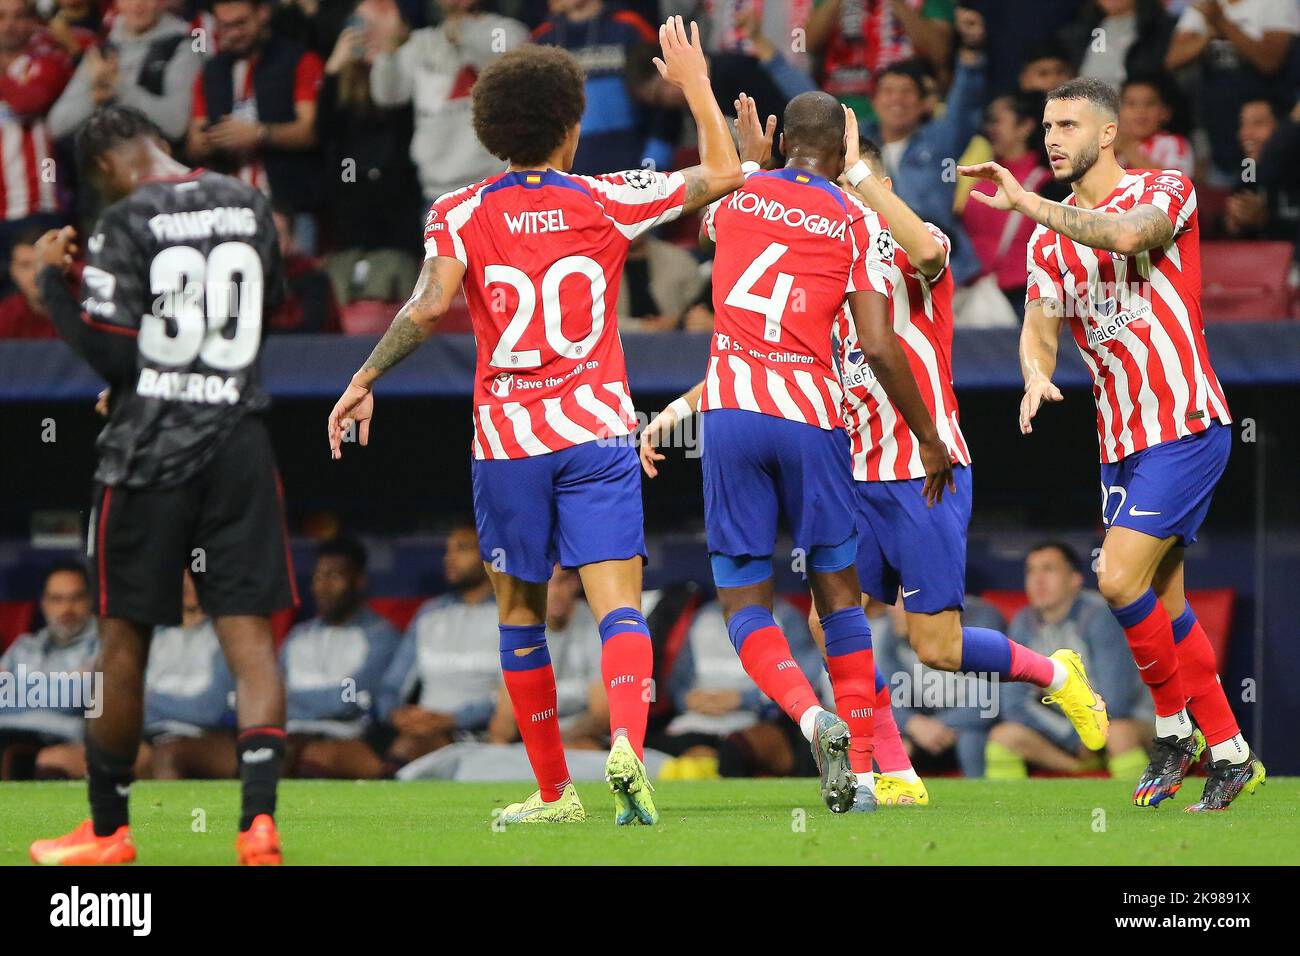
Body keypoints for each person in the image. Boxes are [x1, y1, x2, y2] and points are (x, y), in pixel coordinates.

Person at [328, 18, 743, 826]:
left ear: (490, 133)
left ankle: (555, 793)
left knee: (520, 617)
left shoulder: (457, 210)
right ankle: (626, 745)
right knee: (619, 607)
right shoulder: (607, 197)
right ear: (570, 126)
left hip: (508, 444)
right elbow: (724, 172)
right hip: (597, 432)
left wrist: (365, 376)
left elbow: (428, 307)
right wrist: (695, 83)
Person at [644, 88, 960, 815]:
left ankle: (811, 719)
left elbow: (712, 227)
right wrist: (928, 435)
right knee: (840, 599)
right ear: (844, 146)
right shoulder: (856, 219)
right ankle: (865, 768)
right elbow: (876, 345)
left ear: (783, 139)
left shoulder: (738, 195)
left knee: (744, 602)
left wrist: (751, 162)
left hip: (732, 414)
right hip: (812, 418)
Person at [960, 76, 1265, 811]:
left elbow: (1129, 237)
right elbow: (1039, 326)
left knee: (1118, 579)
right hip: (1120, 442)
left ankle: (1173, 730)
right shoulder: (1048, 244)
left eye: (1067, 124)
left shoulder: (1165, 190)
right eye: (1046, 126)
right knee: (1165, 600)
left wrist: (1029, 203)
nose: (1052, 138)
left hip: (1183, 423)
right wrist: (1035, 373)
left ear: (1106, 133)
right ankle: (1230, 752)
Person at [29, 105, 295, 865]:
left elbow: (115, 358)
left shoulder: (126, 218)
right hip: (240, 443)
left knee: (122, 643)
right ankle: (258, 824)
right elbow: (263, 308)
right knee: (250, 638)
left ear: (105, 165)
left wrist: (52, 283)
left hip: (147, 457)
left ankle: (107, 831)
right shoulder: (247, 201)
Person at [829, 123, 1107, 805]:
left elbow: (928, 250)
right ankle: (893, 773)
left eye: (848, 185)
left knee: (938, 649)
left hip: (924, 472)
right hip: (856, 479)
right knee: (830, 620)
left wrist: (856, 177)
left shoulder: (912, 247)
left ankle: (1056, 675)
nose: (838, 201)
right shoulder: (826, 276)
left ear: (879, 186)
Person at [987, 542, 1150, 780]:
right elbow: (1013, 704)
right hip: (1072, 734)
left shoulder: (1099, 615)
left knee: (1118, 734)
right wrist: (1075, 738)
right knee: (1004, 737)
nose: (1038, 580)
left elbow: (1117, 701)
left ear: (1075, 579)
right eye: (1031, 571)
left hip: (1132, 722)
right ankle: (1074, 771)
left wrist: (1088, 734)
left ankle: (1141, 802)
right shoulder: (1023, 623)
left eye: (1049, 569)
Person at [858, 7, 989, 285]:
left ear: (923, 103)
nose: (897, 100)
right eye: (888, 91)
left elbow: (965, 100)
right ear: (874, 101)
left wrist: (971, 48)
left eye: (906, 92)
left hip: (952, 271)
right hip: (884, 267)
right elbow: (810, 102)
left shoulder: (941, 140)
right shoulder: (858, 144)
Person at [367, 0, 527, 208]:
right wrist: (388, 54)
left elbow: (510, 66)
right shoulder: (421, 42)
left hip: (496, 184)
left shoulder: (505, 30)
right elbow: (389, 96)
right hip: (438, 190)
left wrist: (463, 33)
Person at [378, 523, 501, 767]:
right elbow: (391, 686)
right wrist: (397, 715)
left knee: (410, 747)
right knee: (410, 744)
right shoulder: (429, 613)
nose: (449, 558)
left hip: (481, 734)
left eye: (462, 548)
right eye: (448, 550)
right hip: (420, 730)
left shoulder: (508, 614)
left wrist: (452, 719)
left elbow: (513, 695)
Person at [186, 0, 324, 213]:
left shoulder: (300, 61)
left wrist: (259, 134)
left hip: (290, 204)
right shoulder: (211, 72)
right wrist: (212, 140)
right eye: (225, 26)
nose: (233, 33)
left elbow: (311, 131)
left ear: (262, 13)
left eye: (241, 23)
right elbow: (194, 143)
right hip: (227, 206)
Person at [281, 538, 399, 778]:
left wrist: (290, 698)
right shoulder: (296, 636)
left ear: (359, 581)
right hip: (289, 735)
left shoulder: (382, 636)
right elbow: (271, 694)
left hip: (346, 737)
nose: (321, 587)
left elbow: (345, 700)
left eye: (334, 577)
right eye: (318, 577)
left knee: (311, 757)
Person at [1165, 0, 1299, 180]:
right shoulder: (1208, 4)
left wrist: (1221, 23)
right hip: (1220, 133)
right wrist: (1209, 35)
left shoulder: (1276, 3)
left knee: (1260, 184)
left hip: (1264, 134)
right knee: (1235, 193)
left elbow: (1269, 61)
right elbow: (1173, 59)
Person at [47, 0, 203, 143]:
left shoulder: (182, 49)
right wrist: (93, 98)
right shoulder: (102, 50)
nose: (138, 4)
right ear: (117, 3)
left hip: (158, 158)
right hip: (105, 157)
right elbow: (55, 126)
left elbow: (176, 126)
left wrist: (119, 88)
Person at [488, 566, 607, 748]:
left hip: (579, 737)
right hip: (532, 740)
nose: (554, 593)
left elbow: (602, 715)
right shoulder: (520, 630)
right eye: (545, 585)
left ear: (575, 583)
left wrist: (552, 747)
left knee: (584, 747)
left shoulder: (596, 626)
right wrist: (499, 746)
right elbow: (504, 719)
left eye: (561, 582)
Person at [960, 91, 1055, 318]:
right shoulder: (977, 174)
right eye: (988, 121)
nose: (990, 128)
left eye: (997, 121)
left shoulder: (1049, 183)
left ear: (1025, 127)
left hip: (1023, 298)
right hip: (974, 294)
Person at [0, 563, 97, 780]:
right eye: (57, 599)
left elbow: (74, 698)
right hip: (7, 733)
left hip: (60, 739)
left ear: (90, 601)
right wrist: (62, 687)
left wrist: (16, 689)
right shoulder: (24, 645)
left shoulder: (102, 646)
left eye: (76, 598)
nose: (67, 608)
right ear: (44, 604)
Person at [0, 0, 73, 275]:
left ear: (32, 22)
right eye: (1, 17)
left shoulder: (47, 62)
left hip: (36, 205)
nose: (9, 25)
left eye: (18, 16)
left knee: (45, 287)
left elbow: (29, 101)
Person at [143, 572, 238, 780]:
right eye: (181, 576)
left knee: (168, 753)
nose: (187, 585)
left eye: (194, 576)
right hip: (148, 737)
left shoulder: (227, 636)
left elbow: (211, 711)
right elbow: (112, 699)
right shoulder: (147, 635)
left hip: (211, 739)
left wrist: (147, 699)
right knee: (113, 753)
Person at [1114, 73, 1193, 175]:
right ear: (1118, 112)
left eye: (1150, 104)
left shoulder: (1174, 144)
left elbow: (1174, 180)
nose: (1140, 111)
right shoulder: (1109, 145)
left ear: (1165, 112)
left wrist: (1127, 148)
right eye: (1131, 104)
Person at [0, 228, 55, 337]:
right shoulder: (6, 315)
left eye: (42, 264)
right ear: (13, 271)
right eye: (25, 265)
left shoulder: (82, 309)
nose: (35, 274)